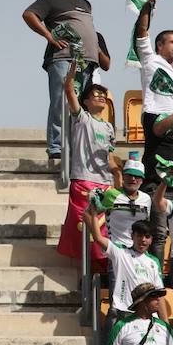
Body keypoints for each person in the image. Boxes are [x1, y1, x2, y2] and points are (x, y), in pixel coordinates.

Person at [22, 0, 110, 160]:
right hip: (64, 59)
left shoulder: (85, 4)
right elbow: (29, 14)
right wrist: (49, 36)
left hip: (87, 64)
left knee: (81, 108)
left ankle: (76, 147)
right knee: (61, 102)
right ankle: (56, 148)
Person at [133, 0, 173, 190]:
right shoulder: (151, 60)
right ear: (159, 45)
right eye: (171, 42)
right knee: (156, 167)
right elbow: (142, 32)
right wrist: (147, 6)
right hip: (156, 116)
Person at [57, 66, 117, 261]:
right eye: (95, 94)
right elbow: (68, 90)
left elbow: (110, 159)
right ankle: (84, 267)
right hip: (84, 179)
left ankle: (100, 268)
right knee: (83, 228)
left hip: (105, 183)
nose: (100, 97)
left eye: (102, 95)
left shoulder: (108, 127)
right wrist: (74, 68)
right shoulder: (81, 118)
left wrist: (119, 174)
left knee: (104, 231)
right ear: (85, 102)